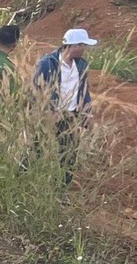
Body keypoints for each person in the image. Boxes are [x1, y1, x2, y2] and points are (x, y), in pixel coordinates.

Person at [35, 27, 97, 181]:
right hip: (50, 115)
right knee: (37, 150)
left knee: (69, 155)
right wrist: (48, 111)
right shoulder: (47, 64)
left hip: (71, 116)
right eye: (82, 45)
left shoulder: (81, 64)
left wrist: (87, 112)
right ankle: (24, 182)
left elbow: (84, 90)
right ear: (74, 45)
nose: (84, 49)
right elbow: (36, 89)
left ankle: (62, 189)